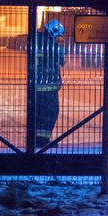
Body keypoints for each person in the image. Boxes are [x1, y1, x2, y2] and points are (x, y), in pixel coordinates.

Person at [34, 19, 66, 148]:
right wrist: (61, 46)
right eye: (59, 35)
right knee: (50, 112)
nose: (60, 37)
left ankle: (35, 139)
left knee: (38, 112)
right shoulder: (52, 45)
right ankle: (42, 141)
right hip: (49, 85)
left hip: (36, 85)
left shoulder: (37, 41)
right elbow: (62, 60)